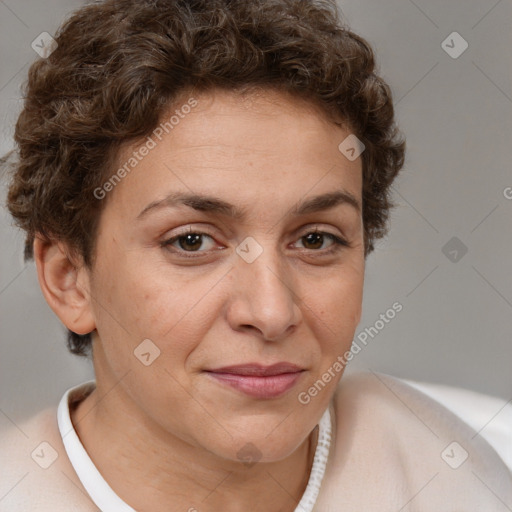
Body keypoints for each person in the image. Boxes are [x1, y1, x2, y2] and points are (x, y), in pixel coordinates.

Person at [1, 0, 511, 510]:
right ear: (70, 278)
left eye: (315, 239)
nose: (271, 312)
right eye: (192, 241)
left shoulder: (454, 476)